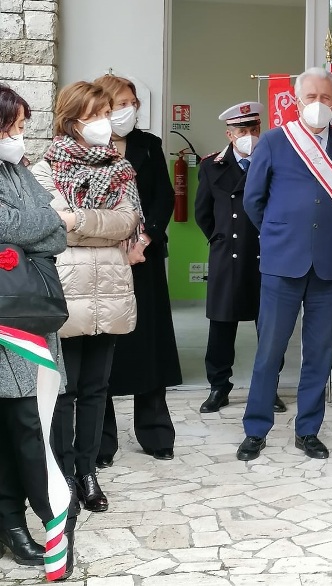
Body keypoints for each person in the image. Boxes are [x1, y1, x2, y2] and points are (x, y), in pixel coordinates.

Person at [239, 67, 332, 461]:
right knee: (269, 351)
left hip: (327, 265)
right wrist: (281, 232)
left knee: (320, 353)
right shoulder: (274, 141)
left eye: (326, 97)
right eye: (311, 97)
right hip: (282, 262)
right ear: (296, 100)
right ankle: (256, 429)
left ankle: (308, 430)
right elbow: (253, 200)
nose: (318, 104)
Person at [32, 81, 141, 516]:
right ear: (71, 120)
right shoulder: (45, 168)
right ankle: (64, 474)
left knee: (97, 388)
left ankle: (88, 470)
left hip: (110, 289)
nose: (103, 123)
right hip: (66, 291)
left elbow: (127, 222)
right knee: (66, 389)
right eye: (94, 115)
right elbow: (50, 227)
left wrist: (77, 220)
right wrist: (96, 224)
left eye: (105, 113)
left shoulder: (121, 168)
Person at [0, 84, 73, 577]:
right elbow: (32, 224)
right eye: (14, 128)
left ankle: (15, 522)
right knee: (22, 421)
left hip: (28, 310)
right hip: (8, 315)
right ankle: (35, 521)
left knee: (24, 419)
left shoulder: (17, 170)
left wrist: (36, 224)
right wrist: (42, 222)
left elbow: (56, 231)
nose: (19, 138)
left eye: (22, 129)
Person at [94, 75, 182, 465]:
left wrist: (143, 240)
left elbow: (163, 198)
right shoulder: (85, 146)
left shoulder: (149, 145)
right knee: (103, 347)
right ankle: (101, 442)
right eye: (121, 103)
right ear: (102, 106)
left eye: (133, 103)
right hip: (102, 259)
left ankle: (155, 432)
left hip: (143, 258)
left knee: (150, 343)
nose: (129, 110)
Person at [195, 101, 285, 415]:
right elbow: (203, 213)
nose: (249, 135)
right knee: (221, 326)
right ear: (229, 134)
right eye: (241, 130)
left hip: (267, 253)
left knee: (270, 327)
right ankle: (219, 387)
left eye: (253, 129)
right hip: (227, 255)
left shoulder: (275, 162)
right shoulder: (211, 166)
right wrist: (220, 239)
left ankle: (269, 387)